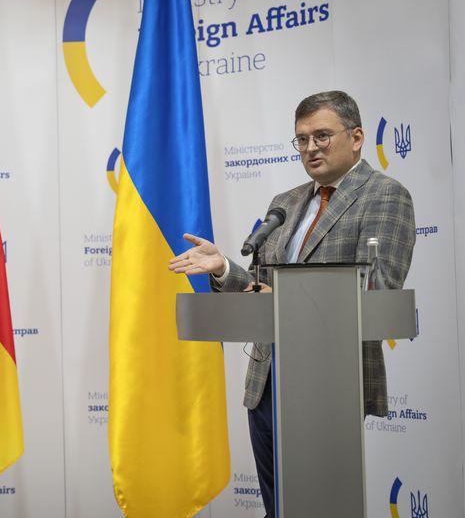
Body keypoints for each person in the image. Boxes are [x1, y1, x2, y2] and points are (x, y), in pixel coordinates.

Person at [169, 91, 415, 518]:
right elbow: (261, 288)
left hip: (328, 382)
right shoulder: (285, 202)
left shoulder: (384, 195)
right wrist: (225, 267)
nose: (310, 148)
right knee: (277, 508)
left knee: (320, 507)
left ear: (357, 137)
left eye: (321, 135)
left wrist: (282, 302)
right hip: (266, 380)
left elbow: (378, 291)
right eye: (301, 139)